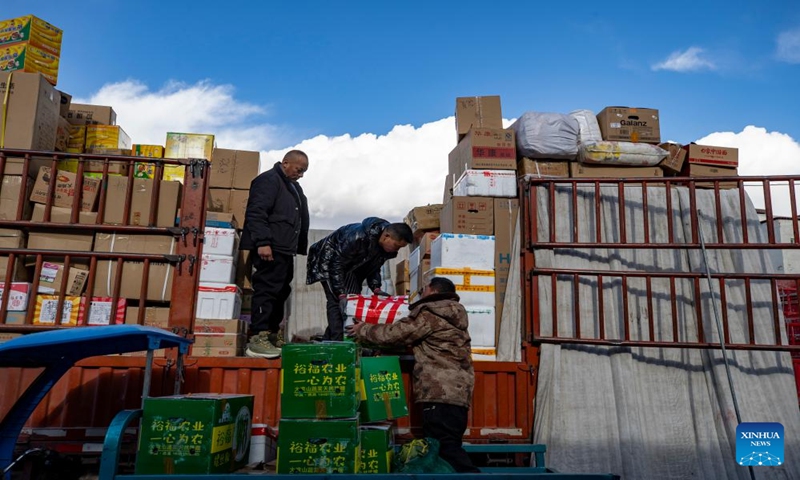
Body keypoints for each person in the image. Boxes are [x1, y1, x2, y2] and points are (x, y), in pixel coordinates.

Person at [346, 277, 479, 473]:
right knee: (445, 448)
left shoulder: (431, 313)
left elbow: (396, 333)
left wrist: (363, 329)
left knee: (443, 447)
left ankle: (473, 477)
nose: (422, 293)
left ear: (432, 291)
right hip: (458, 391)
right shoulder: (455, 314)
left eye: (424, 289)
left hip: (439, 391)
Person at [240, 150, 310, 358]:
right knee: (267, 289)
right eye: (299, 170)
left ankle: (271, 334)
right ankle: (258, 337)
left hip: (284, 249)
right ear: (286, 163)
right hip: (270, 246)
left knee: (281, 291)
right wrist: (263, 242)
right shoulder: (268, 181)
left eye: (304, 171)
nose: (301, 175)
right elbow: (256, 212)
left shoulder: (293, 186)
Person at [306, 217, 413, 341]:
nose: (397, 250)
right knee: (337, 302)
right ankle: (337, 342)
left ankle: (329, 339)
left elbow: (374, 267)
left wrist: (376, 287)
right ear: (386, 236)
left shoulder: (384, 247)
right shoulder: (357, 236)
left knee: (352, 302)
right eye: (396, 246)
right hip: (328, 261)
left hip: (351, 266)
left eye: (400, 248)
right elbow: (336, 264)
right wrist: (340, 294)